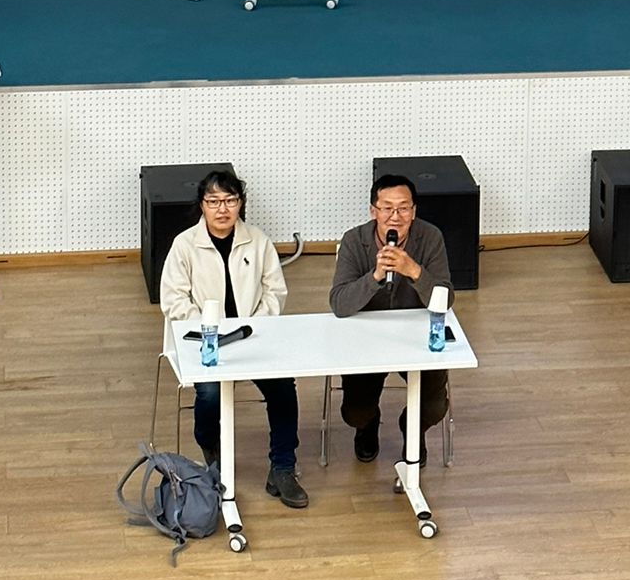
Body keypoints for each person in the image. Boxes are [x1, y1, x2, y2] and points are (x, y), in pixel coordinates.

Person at [158, 169, 307, 508]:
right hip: (203, 340)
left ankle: (283, 467)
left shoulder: (258, 241)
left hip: (252, 337)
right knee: (210, 393)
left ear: (240, 203)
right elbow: (174, 300)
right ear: (202, 205)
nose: (222, 209)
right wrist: (210, 329)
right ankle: (211, 446)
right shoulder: (184, 244)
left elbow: (275, 292)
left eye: (230, 200)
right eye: (214, 201)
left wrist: (253, 327)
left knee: (283, 388)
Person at [329, 174, 453, 464]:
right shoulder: (354, 240)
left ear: (414, 211)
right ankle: (368, 424)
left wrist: (415, 272)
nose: (395, 217)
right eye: (387, 208)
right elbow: (339, 304)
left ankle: (413, 428)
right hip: (367, 337)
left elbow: (445, 299)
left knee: (434, 406)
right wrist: (374, 277)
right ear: (373, 211)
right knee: (355, 412)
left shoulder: (430, 237)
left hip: (416, 335)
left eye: (403, 208)